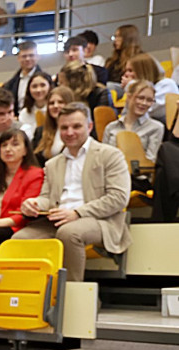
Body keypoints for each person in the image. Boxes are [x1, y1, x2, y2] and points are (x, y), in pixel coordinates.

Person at [15, 103, 131, 281]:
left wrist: (77, 213)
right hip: (57, 221)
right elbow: (47, 198)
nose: (70, 132)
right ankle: (34, 292)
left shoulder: (110, 155)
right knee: (19, 239)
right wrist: (34, 204)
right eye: (64, 128)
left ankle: (71, 291)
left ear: (89, 126)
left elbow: (118, 198)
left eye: (76, 126)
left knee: (69, 233)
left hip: (100, 220)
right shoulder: (52, 164)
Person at [102, 79, 164, 163]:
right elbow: (103, 158)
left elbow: (150, 160)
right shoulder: (111, 127)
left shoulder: (156, 128)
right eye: (140, 98)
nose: (144, 103)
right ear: (129, 97)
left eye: (149, 100)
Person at [121, 53, 179, 123]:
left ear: (143, 71)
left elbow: (147, 110)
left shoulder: (167, 84)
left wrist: (131, 86)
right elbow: (126, 114)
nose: (126, 74)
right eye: (126, 71)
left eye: (130, 70)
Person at [33, 86, 75, 165]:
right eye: (51, 103)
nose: (55, 106)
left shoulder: (78, 131)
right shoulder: (40, 131)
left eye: (60, 102)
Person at [2, 41, 44, 111]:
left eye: (31, 55)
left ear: (38, 57)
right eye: (24, 56)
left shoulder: (45, 80)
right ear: (18, 58)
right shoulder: (10, 84)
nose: (27, 59)